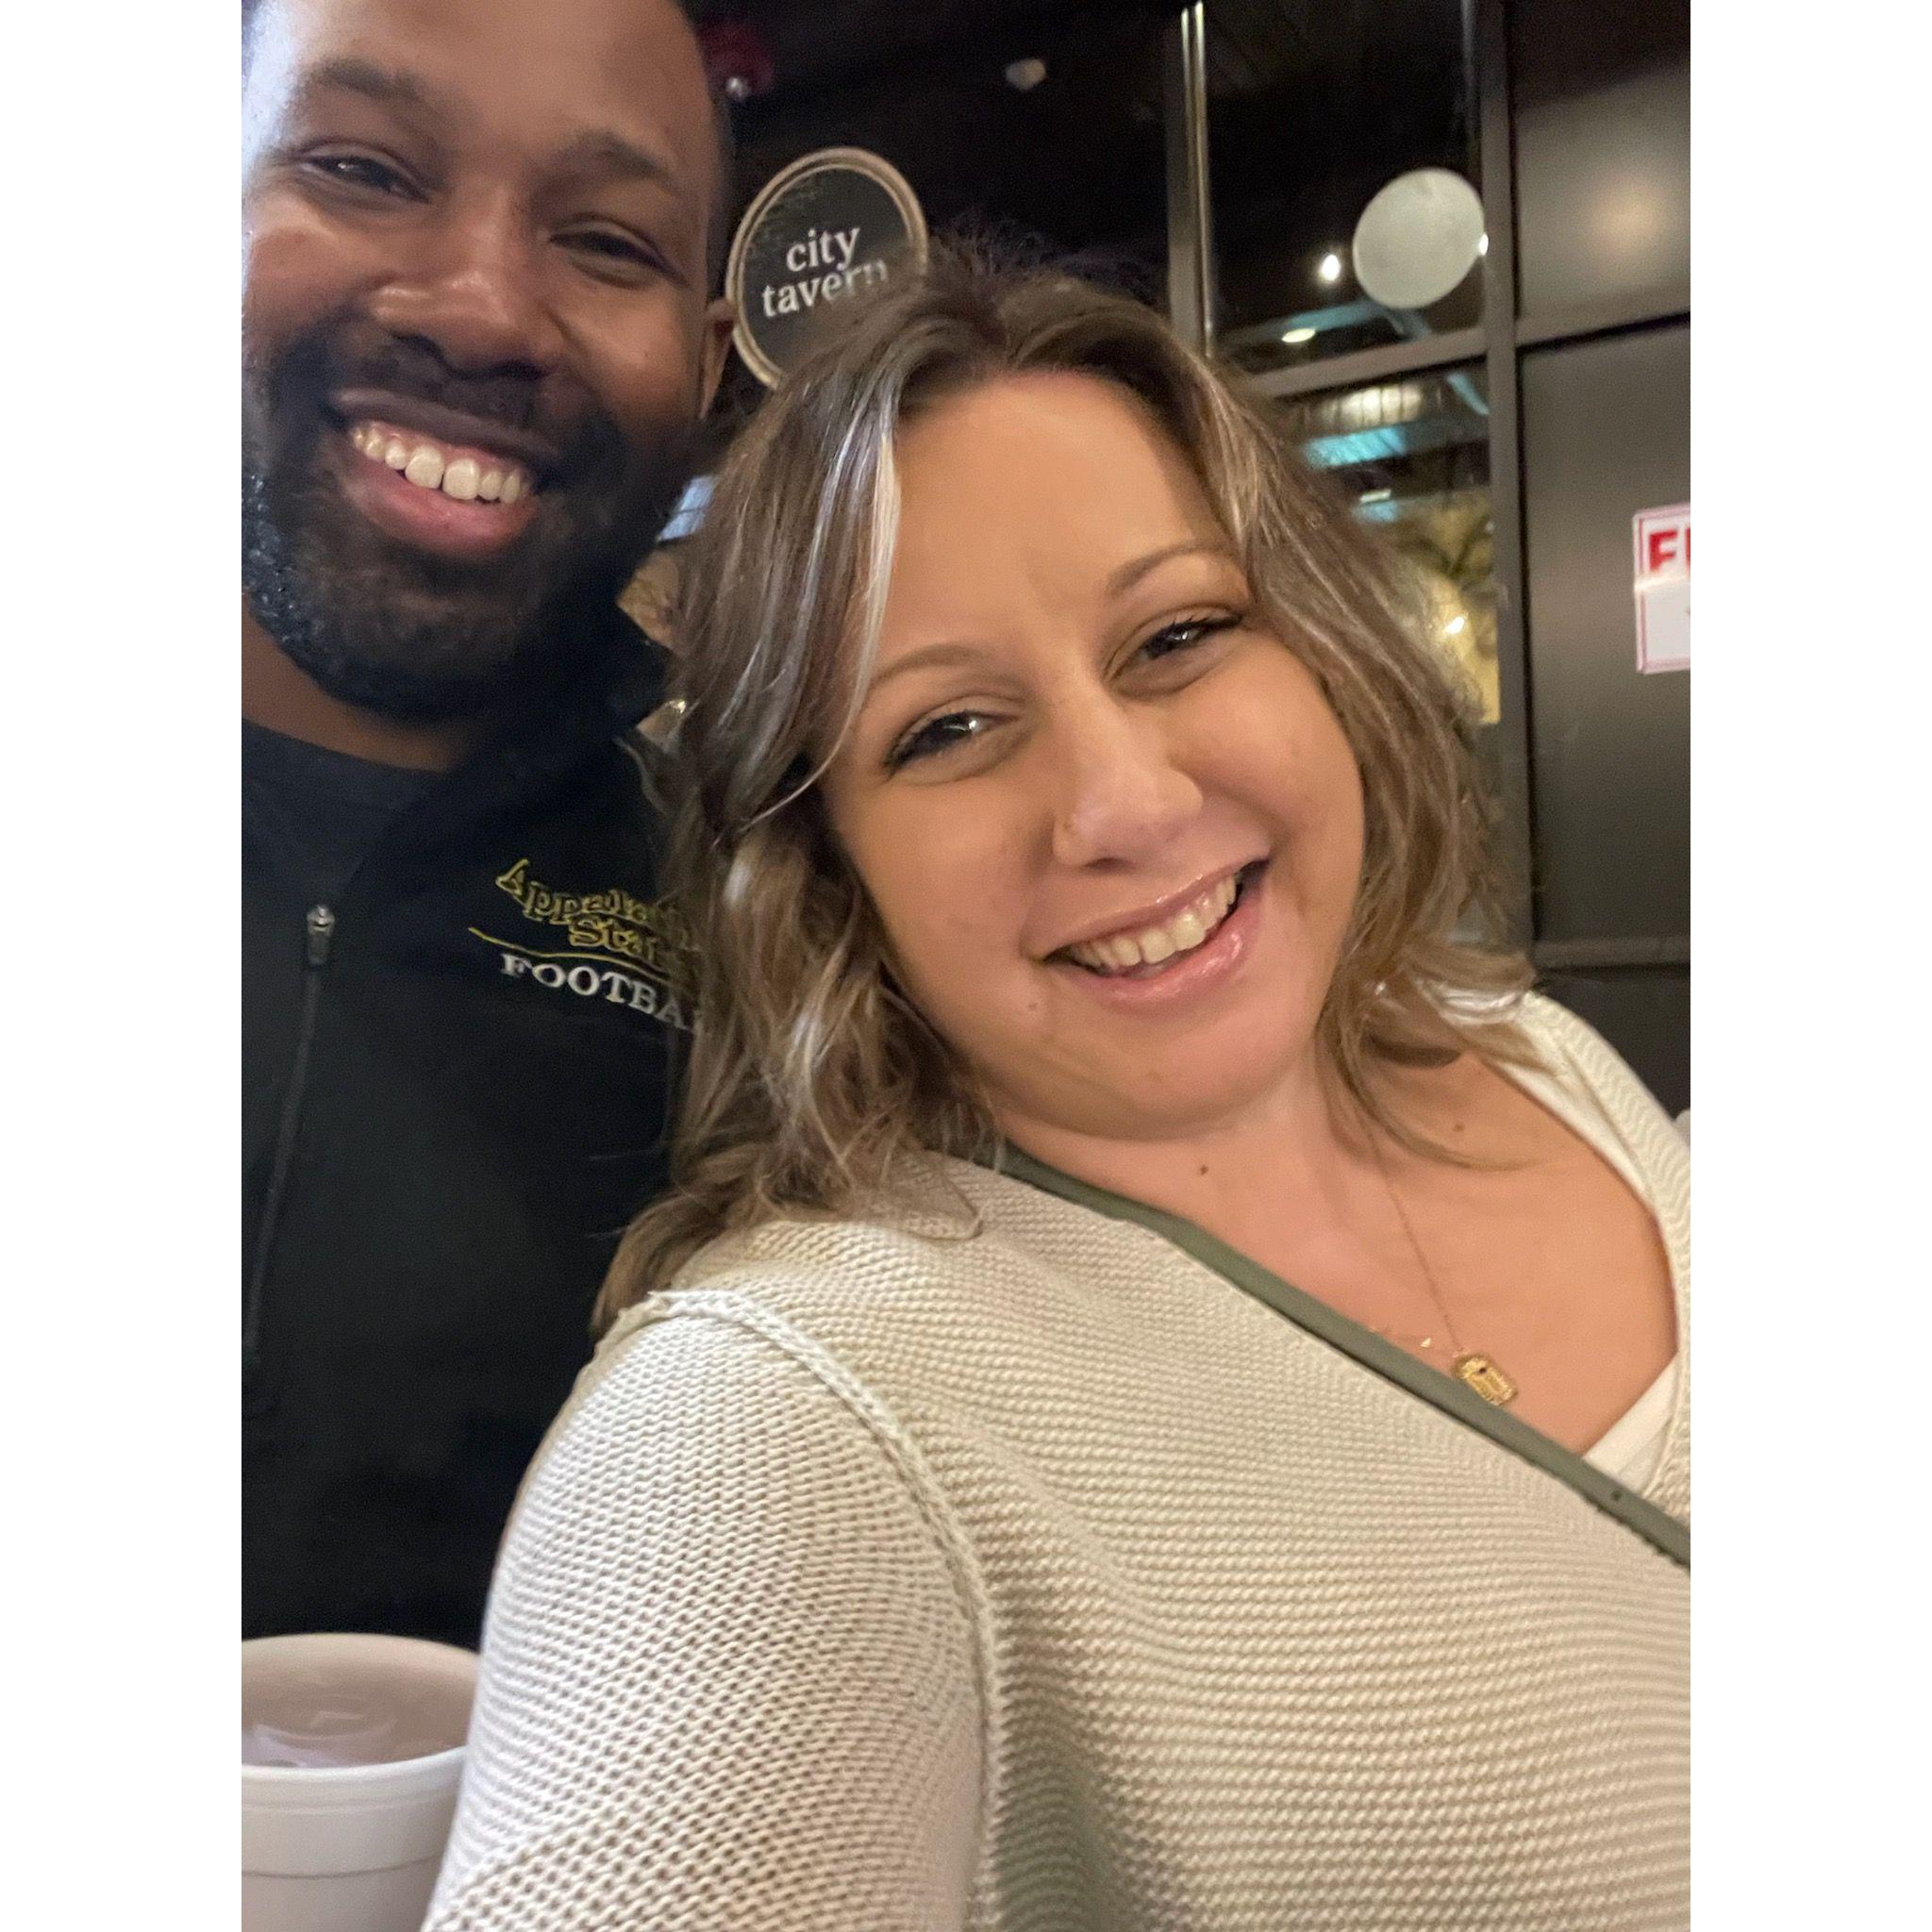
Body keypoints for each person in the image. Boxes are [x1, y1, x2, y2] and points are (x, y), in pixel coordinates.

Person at [428, 254, 1690, 1929]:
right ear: (823, 867)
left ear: (1322, 648)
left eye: (1179, 636)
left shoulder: (1541, 1055)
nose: (1124, 803)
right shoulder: (777, 1427)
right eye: (947, 729)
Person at [241, 0, 734, 1646]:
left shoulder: (774, 944)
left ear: (705, 366)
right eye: (363, 169)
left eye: (604, 242)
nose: (482, 311)